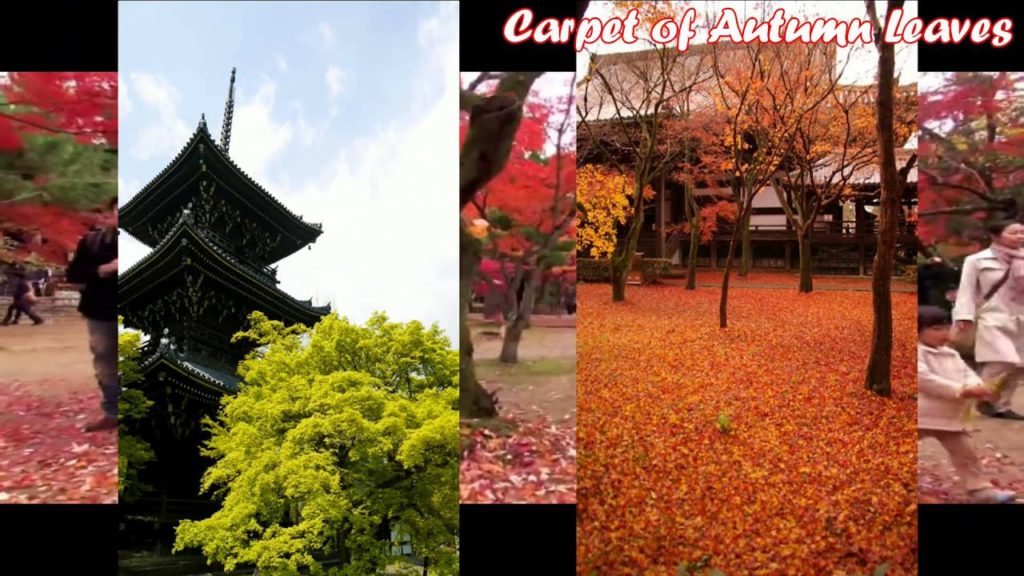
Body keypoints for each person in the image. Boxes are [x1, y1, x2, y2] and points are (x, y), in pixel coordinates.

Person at [918, 305, 1016, 504]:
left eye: (947, 328)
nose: (945, 334)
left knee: (966, 454)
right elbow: (925, 380)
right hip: (923, 416)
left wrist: (977, 386)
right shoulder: (919, 353)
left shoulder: (951, 354)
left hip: (950, 418)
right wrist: (960, 390)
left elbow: (966, 373)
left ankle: (980, 490)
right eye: (936, 329)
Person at [952, 220, 1024, 420]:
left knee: (1019, 366)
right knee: (1003, 361)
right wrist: (963, 315)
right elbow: (967, 290)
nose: (1020, 237)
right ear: (996, 235)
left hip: (1021, 318)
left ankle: (1001, 405)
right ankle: (979, 397)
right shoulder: (977, 260)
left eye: (1022, 233)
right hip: (993, 318)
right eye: (1014, 233)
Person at [66, 197, 118, 432]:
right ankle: (112, 412)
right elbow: (74, 274)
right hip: (101, 310)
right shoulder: (91, 242)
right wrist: (103, 269)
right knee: (105, 360)